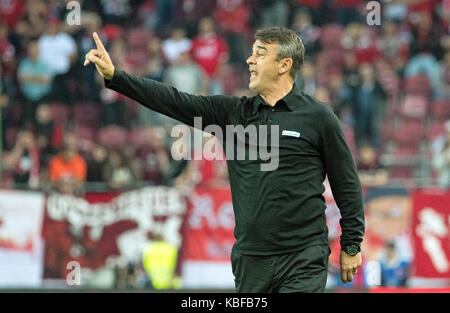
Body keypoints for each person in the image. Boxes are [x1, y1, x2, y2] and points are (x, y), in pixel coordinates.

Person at [84, 27, 365, 293]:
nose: (249, 60)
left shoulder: (319, 118)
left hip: (304, 255)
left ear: (284, 65)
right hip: (251, 258)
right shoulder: (234, 115)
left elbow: (346, 183)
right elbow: (174, 100)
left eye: (260, 53)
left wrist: (351, 245)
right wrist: (116, 76)